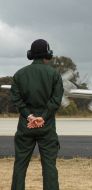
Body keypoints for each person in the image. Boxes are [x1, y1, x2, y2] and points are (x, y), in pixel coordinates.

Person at [10, 39, 64, 190]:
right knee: (49, 167)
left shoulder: (19, 75)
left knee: (20, 165)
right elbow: (56, 100)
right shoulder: (54, 75)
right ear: (47, 54)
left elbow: (16, 99)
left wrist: (29, 116)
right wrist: (43, 117)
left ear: (31, 54)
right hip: (46, 126)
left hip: (25, 126)